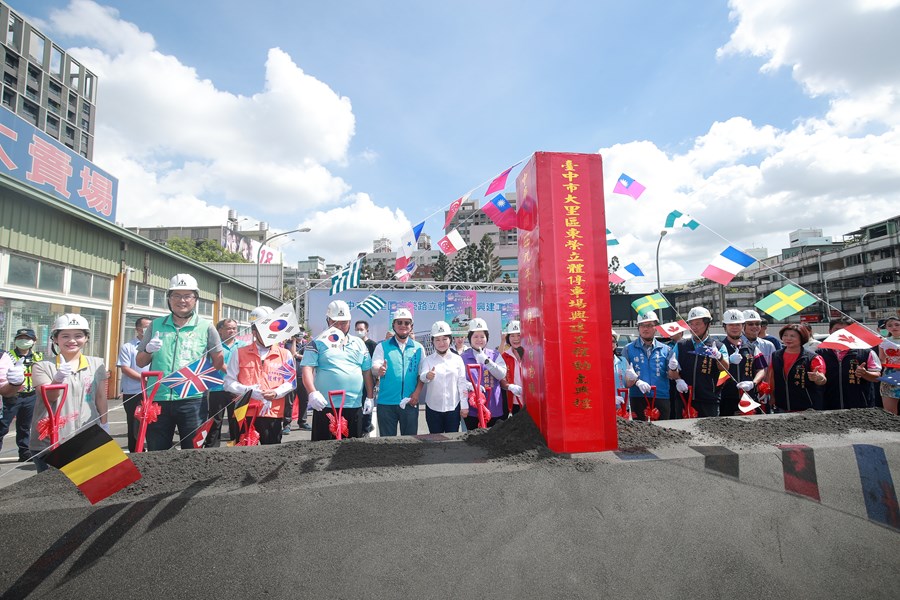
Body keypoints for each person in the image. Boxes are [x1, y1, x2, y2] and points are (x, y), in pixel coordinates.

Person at [136, 273, 224, 451]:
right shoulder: (156, 325)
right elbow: (140, 362)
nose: (181, 300)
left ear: (195, 299)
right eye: (176, 295)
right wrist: (148, 350)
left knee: (193, 452)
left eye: (187, 296)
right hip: (157, 399)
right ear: (169, 298)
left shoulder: (206, 327)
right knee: (156, 453)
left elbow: (218, 362)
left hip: (193, 400)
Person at [30, 314, 109, 471]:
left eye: (78, 335)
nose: (72, 341)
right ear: (55, 339)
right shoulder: (42, 366)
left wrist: (105, 424)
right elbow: (50, 398)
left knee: (102, 487)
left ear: (86, 338)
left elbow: (100, 397)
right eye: (65, 336)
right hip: (52, 440)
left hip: (88, 436)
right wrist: (58, 379)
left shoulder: (96, 363)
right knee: (56, 491)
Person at [301, 300, 374, 441]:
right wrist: (312, 392)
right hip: (325, 405)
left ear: (350, 322)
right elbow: (307, 368)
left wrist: (370, 397)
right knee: (322, 447)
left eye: (344, 322)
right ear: (328, 321)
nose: (340, 327)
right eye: (336, 322)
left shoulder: (359, 343)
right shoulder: (317, 342)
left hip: (353, 404)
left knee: (351, 450)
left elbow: (366, 371)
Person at [224, 306, 295, 445]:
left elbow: (291, 382)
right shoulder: (239, 353)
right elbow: (228, 383)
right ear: (254, 331)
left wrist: (276, 392)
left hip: (272, 413)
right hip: (244, 413)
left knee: (271, 454)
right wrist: (248, 391)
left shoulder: (285, 354)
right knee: (245, 454)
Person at [372, 308, 426, 436]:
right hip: (386, 404)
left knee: (410, 443)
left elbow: (422, 374)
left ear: (411, 326)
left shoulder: (418, 348)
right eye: (399, 322)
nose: (403, 326)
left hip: (409, 402)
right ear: (393, 325)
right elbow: (374, 367)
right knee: (387, 444)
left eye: (406, 323)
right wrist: (379, 370)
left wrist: (417, 394)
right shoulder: (382, 346)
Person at [668, 307, 729, 417]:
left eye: (698, 324)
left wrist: (719, 357)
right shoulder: (681, 345)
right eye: (691, 324)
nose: (694, 327)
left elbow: (725, 368)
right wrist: (677, 377)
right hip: (684, 399)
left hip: (709, 399)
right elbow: (671, 373)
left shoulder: (718, 346)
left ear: (707, 325)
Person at [815, 317, 881, 410]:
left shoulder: (866, 352)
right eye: (837, 330)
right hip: (828, 405)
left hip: (860, 406)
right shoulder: (820, 353)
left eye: (846, 330)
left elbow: (877, 377)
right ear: (830, 331)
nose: (841, 333)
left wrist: (865, 373)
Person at [419, 321, 469, 433]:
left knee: (452, 440)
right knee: (435, 440)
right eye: (437, 339)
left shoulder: (457, 359)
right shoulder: (428, 360)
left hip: (453, 408)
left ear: (450, 340)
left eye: (444, 339)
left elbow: (462, 383)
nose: (441, 343)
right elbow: (422, 376)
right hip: (433, 408)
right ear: (432, 341)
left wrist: (464, 405)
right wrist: (427, 375)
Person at [459, 318, 507, 429]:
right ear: (470, 338)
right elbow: (459, 381)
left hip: (493, 407)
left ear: (487, 338)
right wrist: (471, 386)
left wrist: (487, 361)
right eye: (475, 336)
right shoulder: (463, 358)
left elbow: (501, 375)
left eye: (482, 336)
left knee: (494, 439)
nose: (479, 340)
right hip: (473, 409)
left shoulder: (494, 355)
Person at [767, 323, 827, 412]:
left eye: (792, 336)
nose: (788, 338)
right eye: (785, 335)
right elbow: (771, 377)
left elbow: (822, 379)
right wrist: (772, 395)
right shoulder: (776, 355)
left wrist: (818, 377)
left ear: (801, 337)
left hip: (807, 407)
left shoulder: (812, 357)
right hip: (782, 405)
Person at [624, 311, 672, 420]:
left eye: (649, 325)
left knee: (664, 431)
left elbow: (672, 375)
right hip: (638, 396)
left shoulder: (666, 349)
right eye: (642, 325)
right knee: (640, 432)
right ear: (638, 328)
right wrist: (636, 381)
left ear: (656, 327)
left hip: (661, 396)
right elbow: (624, 378)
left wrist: (674, 368)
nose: (645, 329)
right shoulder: (628, 349)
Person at [207, 317, 248, 447]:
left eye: (234, 328)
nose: (232, 331)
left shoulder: (243, 346)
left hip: (236, 389)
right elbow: (214, 363)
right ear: (220, 330)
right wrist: (231, 373)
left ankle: (236, 446)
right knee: (215, 422)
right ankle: (211, 449)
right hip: (217, 388)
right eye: (228, 328)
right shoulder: (214, 346)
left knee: (236, 420)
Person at [719, 310, 767, 416]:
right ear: (724, 327)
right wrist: (728, 361)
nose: (734, 327)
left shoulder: (752, 347)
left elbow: (761, 369)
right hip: (725, 398)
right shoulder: (718, 347)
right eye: (731, 325)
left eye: (738, 324)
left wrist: (753, 383)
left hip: (749, 396)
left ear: (743, 326)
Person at [1, 328, 37, 460]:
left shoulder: (38, 356)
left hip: (31, 395)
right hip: (12, 396)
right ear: (15, 340)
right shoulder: (8, 355)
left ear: (34, 341)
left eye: (27, 339)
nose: (23, 341)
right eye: (20, 338)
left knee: (25, 426)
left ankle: (24, 452)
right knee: (3, 426)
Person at [116, 317, 151, 453]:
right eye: (146, 327)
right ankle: (137, 453)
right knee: (135, 426)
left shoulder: (157, 346)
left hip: (153, 392)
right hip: (134, 393)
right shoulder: (128, 347)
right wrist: (145, 380)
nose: (149, 330)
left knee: (154, 426)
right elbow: (125, 368)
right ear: (138, 329)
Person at [354, 320, 378, 434]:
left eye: (361, 329)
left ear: (367, 331)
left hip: (368, 381)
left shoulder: (373, 345)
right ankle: (359, 426)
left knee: (367, 404)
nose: (359, 331)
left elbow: (375, 365)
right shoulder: (353, 344)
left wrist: (377, 381)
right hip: (355, 381)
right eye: (357, 329)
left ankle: (366, 428)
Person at [499, 320, 525, 417]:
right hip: (514, 403)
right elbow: (501, 378)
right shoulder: (505, 356)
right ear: (508, 338)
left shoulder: (532, 354)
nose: (516, 339)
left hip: (532, 402)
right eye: (512, 336)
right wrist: (510, 387)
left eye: (519, 335)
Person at [286, 334, 311, 431]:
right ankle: (287, 424)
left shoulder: (307, 345)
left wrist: (298, 355)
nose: (299, 334)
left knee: (304, 400)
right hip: (292, 377)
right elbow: (292, 355)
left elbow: (308, 357)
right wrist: (293, 341)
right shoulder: (288, 344)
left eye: (301, 332)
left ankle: (302, 422)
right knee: (289, 401)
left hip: (303, 376)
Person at [877, 316, 900, 415]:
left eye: (897, 324)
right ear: (886, 328)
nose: (893, 327)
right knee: (889, 412)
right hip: (890, 374)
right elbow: (881, 359)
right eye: (890, 325)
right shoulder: (884, 342)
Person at [612, 330, 629, 412]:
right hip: (604, 406)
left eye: (613, 341)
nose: (611, 344)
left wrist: (634, 380)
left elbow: (627, 383)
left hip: (622, 406)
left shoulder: (622, 360)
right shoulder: (596, 362)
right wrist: (610, 399)